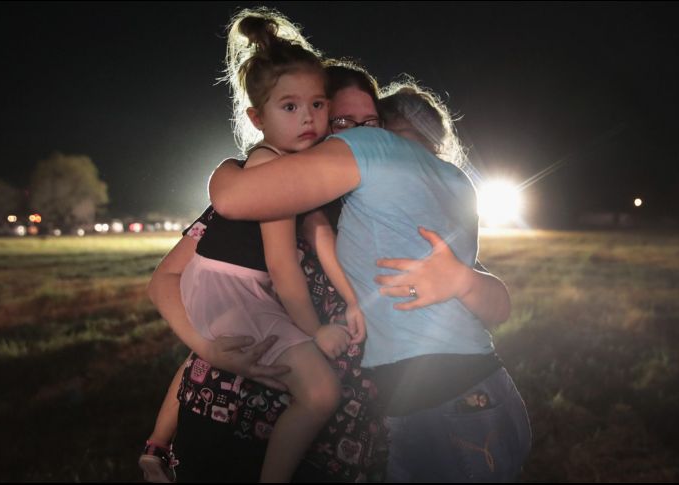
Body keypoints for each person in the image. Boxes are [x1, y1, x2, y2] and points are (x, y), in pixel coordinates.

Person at [208, 80, 532, 481]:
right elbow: (497, 303)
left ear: (382, 129)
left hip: (443, 403)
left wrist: (229, 167)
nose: (356, 131)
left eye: (366, 122)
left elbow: (232, 197)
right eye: (344, 120)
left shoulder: (372, 148)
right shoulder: (452, 180)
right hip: (480, 392)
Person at [141, 10, 368, 484]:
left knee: (314, 391)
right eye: (290, 107)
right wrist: (315, 332)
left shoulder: (289, 174)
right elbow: (282, 268)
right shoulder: (269, 175)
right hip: (233, 292)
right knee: (320, 391)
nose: (310, 118)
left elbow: (317, 238)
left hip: (233, 291)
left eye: (319, 105)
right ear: (256, 117)